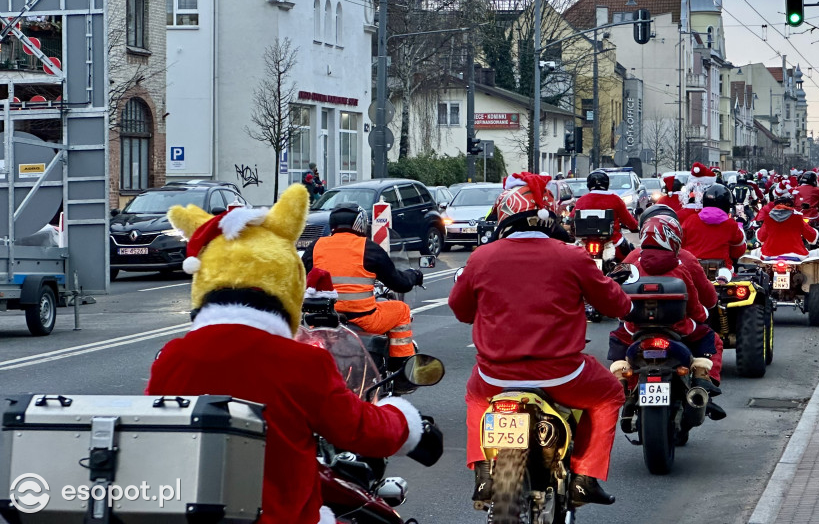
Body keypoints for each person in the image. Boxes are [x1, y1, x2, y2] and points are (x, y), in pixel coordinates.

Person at [146, 185, 436, 524]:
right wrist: (407, 422)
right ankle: (402, 362)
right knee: (400, 312)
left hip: (191, 513)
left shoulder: (172, 357)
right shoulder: (301, 361)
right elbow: (357, 427)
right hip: (283, 516)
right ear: (285, 282)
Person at [449, 171, 631, 506]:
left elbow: (460, 310)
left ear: (504, 216)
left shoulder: (481, 257)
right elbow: (613, 303)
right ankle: (585, 478)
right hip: (562, 375)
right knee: (609, 395)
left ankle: (482, 473)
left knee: (476, 397)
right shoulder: (572, 256)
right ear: (549, 214)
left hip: (496, 376)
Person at [608, 209, 726, 419]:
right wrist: (701, 316)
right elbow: (703, 301)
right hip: (678, 327)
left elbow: (614, 287)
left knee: (618, 341)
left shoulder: (632, 259)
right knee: (712, 339)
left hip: (636, 327)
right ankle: (704, 384)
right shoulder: (684, 262)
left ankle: (622, 383)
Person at [302, 203, 423, 363]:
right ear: (361, 223)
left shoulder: (315, 246)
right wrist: (413, 276)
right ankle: (401, 366)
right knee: (401, 311)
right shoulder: (369, 248)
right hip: (363, 319)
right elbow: (400, 284)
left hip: (322, 319)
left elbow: (300, 278)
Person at [573, 170, 639, 259]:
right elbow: (627, 219)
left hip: (586, 242)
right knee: (629, 258)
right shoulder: (615, 199)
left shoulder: (581, 200)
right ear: (607, 184)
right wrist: (635, 227)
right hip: (612, 241)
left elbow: (572, 218)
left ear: (588, 184)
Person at [680, 183, 747, 270]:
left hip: (692, 270)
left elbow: (680, 246)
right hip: (722, 273)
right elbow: (738, 252)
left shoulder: (690, 220)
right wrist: (740, 226)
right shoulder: (730, 224)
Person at [756, 192, 818, 257]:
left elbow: (761, 238)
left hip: (769, 253)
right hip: (796, 253)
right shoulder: (797, 218)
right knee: (818, 253)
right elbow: (812, 237)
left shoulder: (768, 219)